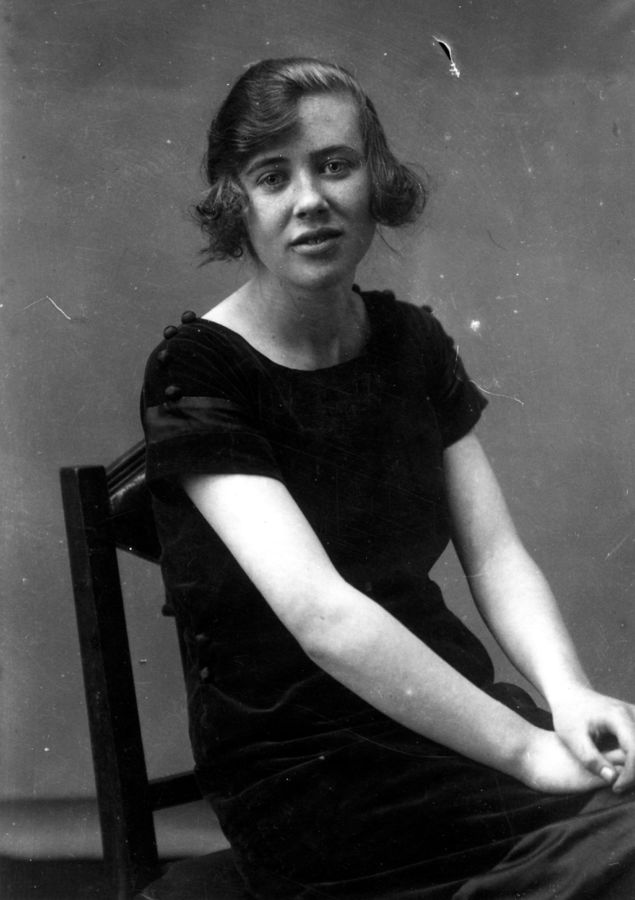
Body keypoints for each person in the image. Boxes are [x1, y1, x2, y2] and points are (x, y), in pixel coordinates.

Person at [140, 57, 635, 898]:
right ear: (236, 203)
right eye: (272, 176)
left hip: (452, 718)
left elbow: (495, 557)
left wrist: (567, 695)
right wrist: (525, 751)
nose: (310, 200)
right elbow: (324, 618)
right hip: (311, 772)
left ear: (376, 179)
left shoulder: (410, 343)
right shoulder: (198, 371)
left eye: (334, 164)